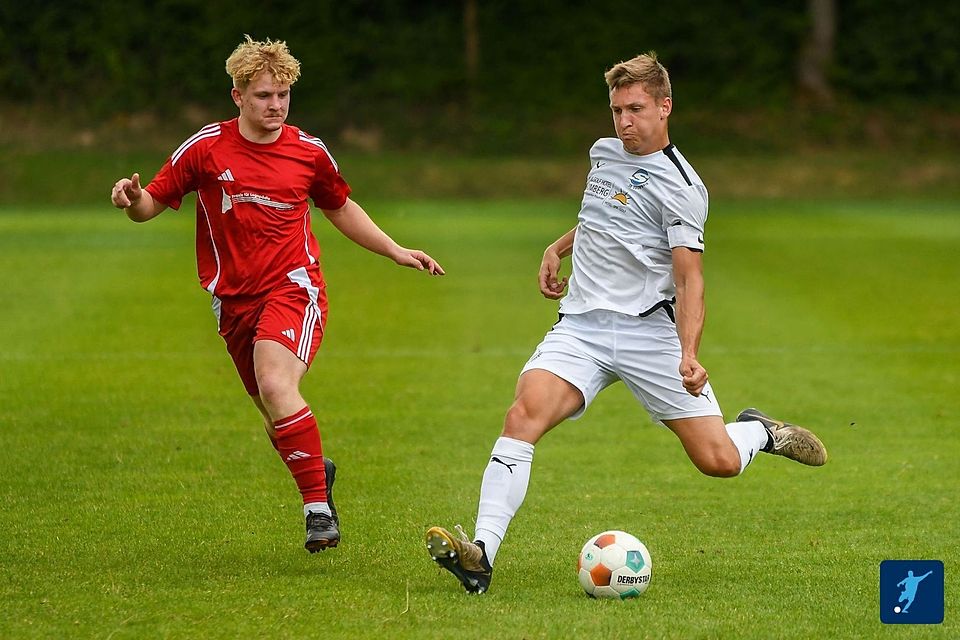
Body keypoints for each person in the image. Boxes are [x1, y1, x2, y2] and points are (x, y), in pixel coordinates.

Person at [425, 52, 826, 594]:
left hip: (649, 334)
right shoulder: (605, 153)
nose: (624, 122)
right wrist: (558, 246)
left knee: (719, 461)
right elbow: (603, 215)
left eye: (635, 109)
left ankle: (760, 432)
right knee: (522, 415)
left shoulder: (683, 187)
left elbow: (689, 280)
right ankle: (481, 554)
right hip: (582, 328)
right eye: (616, 110)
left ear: (665, 108)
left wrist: (689, 353)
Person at [111, 35, 444, 553]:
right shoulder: (205, 147)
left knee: (275, 381)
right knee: (273, 413)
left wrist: (394, 249)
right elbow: (152, 201)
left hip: (294, 286)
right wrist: (132, 201)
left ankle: (316, 510)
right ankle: (317, 472)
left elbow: (339, 207)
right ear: (237, 96)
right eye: (265, 95)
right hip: (233, 299)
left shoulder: (308, 152)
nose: (276, 106)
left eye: (284, 95)